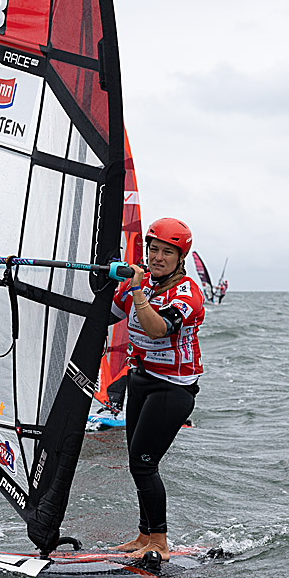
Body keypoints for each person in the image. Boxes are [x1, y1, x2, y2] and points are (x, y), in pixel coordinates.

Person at [109, 217, 205, 560]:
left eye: (167, 252)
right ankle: (143, 535)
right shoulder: (142, 281)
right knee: (138, 462)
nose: (158, 257)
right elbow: (107, 314)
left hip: (173, 389)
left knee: (144, 464)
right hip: (142, 380)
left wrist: (135, 290)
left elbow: (156, 329)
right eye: (153, 249)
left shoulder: (187, 294)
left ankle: (160, 543)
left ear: (181, 258)